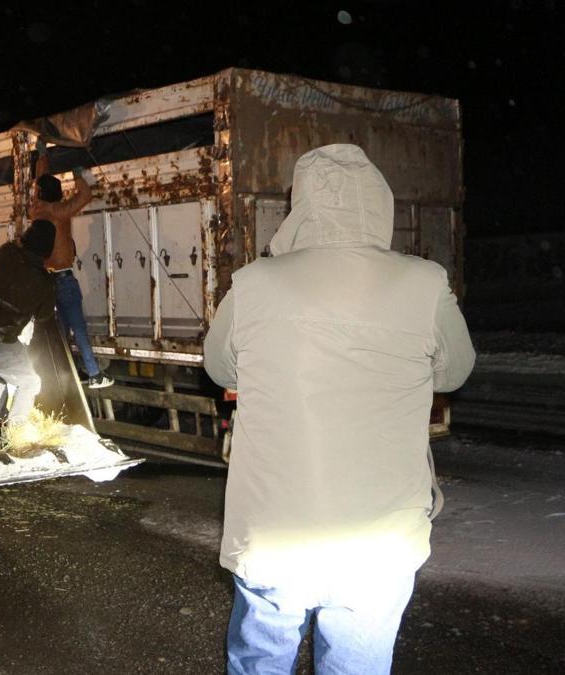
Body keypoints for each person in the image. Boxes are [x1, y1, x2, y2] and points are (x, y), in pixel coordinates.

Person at [203, 144, 475, 674]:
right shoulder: (424, 282)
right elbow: (455, 372)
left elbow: (219, 369)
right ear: (379, 203)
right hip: (378, 538)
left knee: (260, 659)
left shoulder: (255, 283)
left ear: (301, 205)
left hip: (275, 530)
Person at [30, 142, 113, 389]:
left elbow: (40, 183)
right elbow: (85, 196)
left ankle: (68, 374)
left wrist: (42, 156)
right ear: (57, 194)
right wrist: (78, 174)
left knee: (63, 332)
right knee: (78, 328)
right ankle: (96, 375)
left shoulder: (36, 209)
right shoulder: (60, 211)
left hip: (47, 281)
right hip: (64, 280)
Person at [0, 219, 58, 446]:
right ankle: (15, 430)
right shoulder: (44, 281)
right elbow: (43, 315)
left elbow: (0, 254)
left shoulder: (9, 254)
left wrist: (19, 241)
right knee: (30, 382)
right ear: (48, 250)